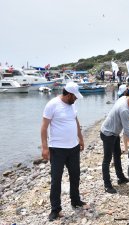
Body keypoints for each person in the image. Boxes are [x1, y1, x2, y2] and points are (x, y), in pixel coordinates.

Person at [41, 82, 88, 221]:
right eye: (75, 96)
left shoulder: (72, 104)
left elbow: (76, 122)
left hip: (73, 148)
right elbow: (44, 127)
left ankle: (75, 200)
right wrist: (44, 147)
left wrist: (81, 138)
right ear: (68, 94)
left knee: (75, 175)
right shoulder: (52, 105)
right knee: (56, 180)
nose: (76, 99)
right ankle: (55, 209)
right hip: (57, 149)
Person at [100, 89, 129, 194]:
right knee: (107, 159)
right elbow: (127, 131)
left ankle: (120, 177)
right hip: (107, 133)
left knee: (117, 154)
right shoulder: (124, 108)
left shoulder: (123, 98)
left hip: (114, 133)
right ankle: (107, 185)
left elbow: (125, 115)